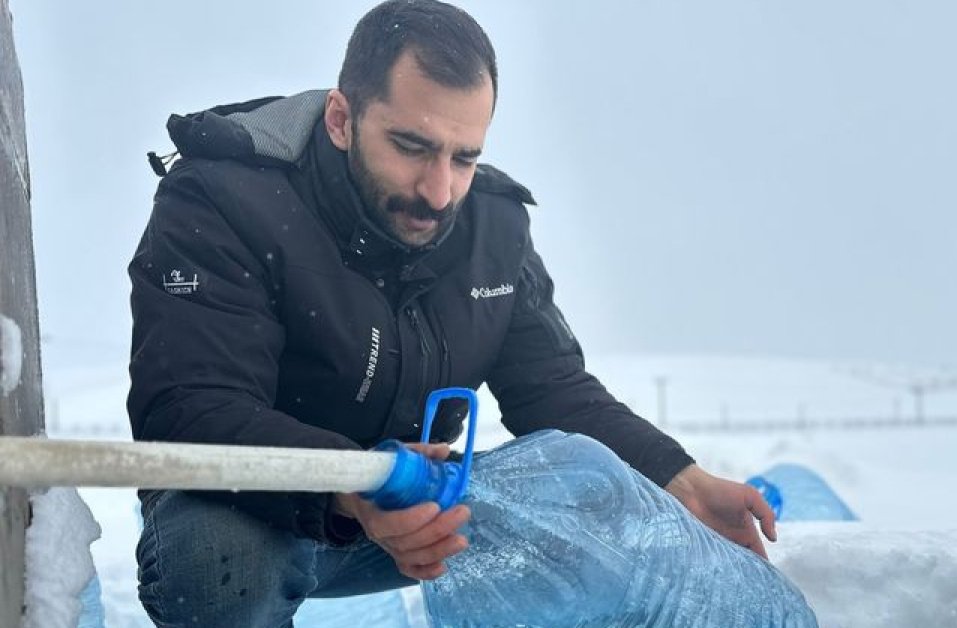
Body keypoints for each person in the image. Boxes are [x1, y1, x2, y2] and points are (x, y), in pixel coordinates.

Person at [127, 1, 776, 625]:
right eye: (411, 146)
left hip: (417, 508)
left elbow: (554, 391)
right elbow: (193, 409)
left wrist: (683, 481)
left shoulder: (492, 226)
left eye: (464, 156)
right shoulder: (222, 200)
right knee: (217, 557)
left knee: (587, 488)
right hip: (259, 512)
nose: (439, 192)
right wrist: (360, 483)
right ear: (340, 119)